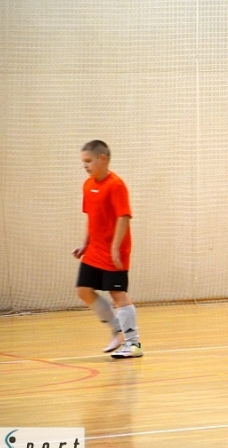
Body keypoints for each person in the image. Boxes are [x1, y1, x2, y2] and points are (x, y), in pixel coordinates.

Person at [72, 140, 143, 358]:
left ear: (102, 159)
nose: (85, 165)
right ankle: (117, 330)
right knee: (83, 290)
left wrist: (115, 248)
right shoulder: (88, 185)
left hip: (114, 252)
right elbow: (91, 218)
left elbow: (124, 217)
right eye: (83, 161)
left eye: (88, 161)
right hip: (94, 250)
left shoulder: (116, 185)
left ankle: (133, 344)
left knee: (117, 294)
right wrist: (85, 244)